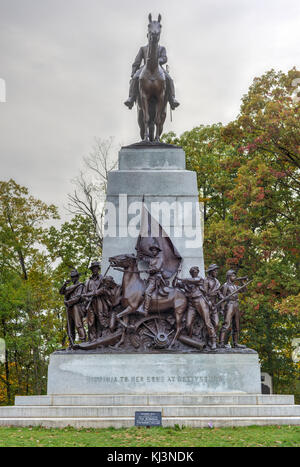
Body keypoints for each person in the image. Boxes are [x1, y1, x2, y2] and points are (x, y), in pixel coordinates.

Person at [124, 25, 180, 110]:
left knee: (169, 79)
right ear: (148, 36)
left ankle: (172, 99)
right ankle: (131, 98)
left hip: (159, 68)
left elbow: (165, 58)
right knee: (135, 77)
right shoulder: (143, 48)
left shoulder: (162, 48)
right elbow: (137, 61)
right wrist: (133, 73)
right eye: (150, 35)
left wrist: (158, 61)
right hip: (145, 68)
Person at [179, 266, 217, 350]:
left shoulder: (199, 279)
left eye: (196, 271)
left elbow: (192, 280)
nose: (194, 273)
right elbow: (177, 284)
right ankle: (191, 341)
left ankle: (213, 341)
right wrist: (176, 277)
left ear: (198, 272)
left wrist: (182, 279)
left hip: (200, 301)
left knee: (207, 322)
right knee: (188, 324)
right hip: (191, 304)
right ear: (191, 273)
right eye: (193, 271)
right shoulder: (187, 283)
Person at [219, 270, 246, 348]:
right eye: (233, 276)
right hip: (229, 305)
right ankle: (221, 343)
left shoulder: (235, 286)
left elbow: (244, 290)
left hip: (236, 305)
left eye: (235, 276)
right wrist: (222, 308)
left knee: (236, 325)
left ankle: (236, 343)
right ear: (228, 277)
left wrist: (242, 282)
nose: (235, 277)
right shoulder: (225, 286)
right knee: (226, 324)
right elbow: (222, 298)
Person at [59, 269, 86, 346]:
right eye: (72, 277)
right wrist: (64, 284)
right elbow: (61, 292)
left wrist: (68, 302)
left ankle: (83, 341)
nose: (73, 278)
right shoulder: (69, 287)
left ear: (77, 277)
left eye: (74, 277)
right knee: (69, 327)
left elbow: (77, 297)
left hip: (76, 307)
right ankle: (71, 343)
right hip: (69, 308)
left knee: (78, 324)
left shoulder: (80, 286)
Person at [83, 260, 105, 342]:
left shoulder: (102, 278)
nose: (94, 270)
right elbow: (84, 293)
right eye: (93, 269)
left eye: (96, 268)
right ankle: (92, 339)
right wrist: (87, 298)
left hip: (99, 300)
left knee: (100, 318)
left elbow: (104, 289)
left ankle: (101, 337)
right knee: (91, 321)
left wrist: (96, 292)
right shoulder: (88, 281)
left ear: (98, 269)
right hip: (90, 302)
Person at [203, 264, 224, 335]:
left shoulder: (217, 281)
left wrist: (221, 296)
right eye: (215, 271)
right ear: (211, 271)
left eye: (217, 271)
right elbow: (204, 294)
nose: (216, 272)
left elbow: (218, 292)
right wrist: (208, 302)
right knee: (207, 324)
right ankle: (211, 340)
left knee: (217, 324)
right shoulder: (206, 280)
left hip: (215, 305)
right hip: (207, 304)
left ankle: (213, 337)